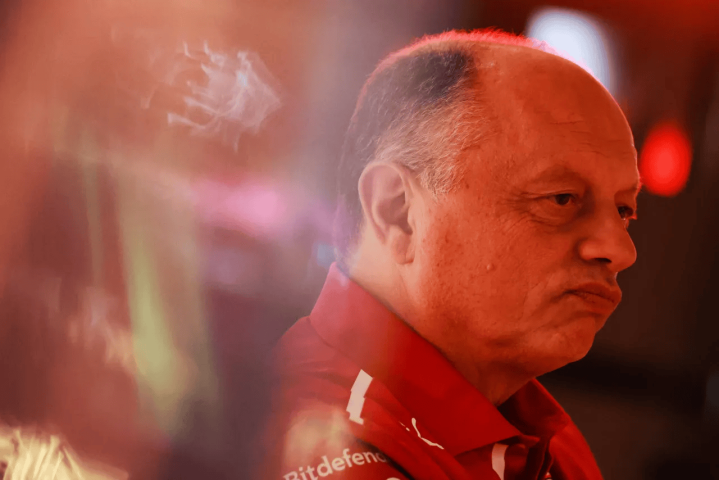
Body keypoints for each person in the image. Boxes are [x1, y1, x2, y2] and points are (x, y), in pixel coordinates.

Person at [259, 29, 640, 480]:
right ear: (397, 211)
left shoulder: (548, 438)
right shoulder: (321, 447)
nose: (620, 250)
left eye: (624, 211)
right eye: (561, 199)